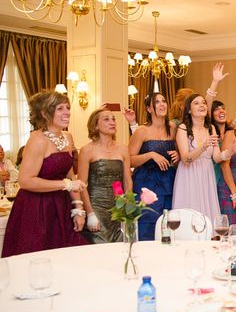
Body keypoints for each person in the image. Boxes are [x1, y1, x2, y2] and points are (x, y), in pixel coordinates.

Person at [2, 91, 87, 257]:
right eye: (60, 108)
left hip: (61, 206)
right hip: (36, 208)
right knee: (37, 257)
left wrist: (78, 208)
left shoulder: (67, 137)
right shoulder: (37, 139)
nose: (67, 112)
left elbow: (69, 174)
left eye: (68, 108)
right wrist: (66, 185)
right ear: (44, 113)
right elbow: (25, 181)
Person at [172, 94, 236, 222]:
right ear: (189, 110)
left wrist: (231, 151)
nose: (202, 105)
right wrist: (204, 145)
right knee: (190, 215)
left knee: (207, 216)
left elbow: (217, 158)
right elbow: (185, 159)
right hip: (189, 175)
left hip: (206, 175)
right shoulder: (183, 128)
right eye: (196, 103)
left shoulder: (211, 128)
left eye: (204, 103)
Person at [77, 107, 132, 243]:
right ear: (96, 125)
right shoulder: (87, 150)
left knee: (120, 250)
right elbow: (82, 184)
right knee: (100, 251)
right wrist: (90, 213)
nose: (112, 122)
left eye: (113, 119)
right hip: (96, 207)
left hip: (118, 208)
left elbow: (126, 181)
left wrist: (127, 207)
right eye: (106, 119)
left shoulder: (123, 149)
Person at [129, 93, 178, 240]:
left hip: (169, 181)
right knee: (147, 224)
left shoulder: (173, 128)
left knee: (169, 224)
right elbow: (129, 160)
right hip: (146, 182)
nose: (162, 104)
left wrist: (178, 156)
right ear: (149, 109)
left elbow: (181, 151)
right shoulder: (142, 131)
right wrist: (150, 155)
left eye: (164, 101)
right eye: (157, 102)